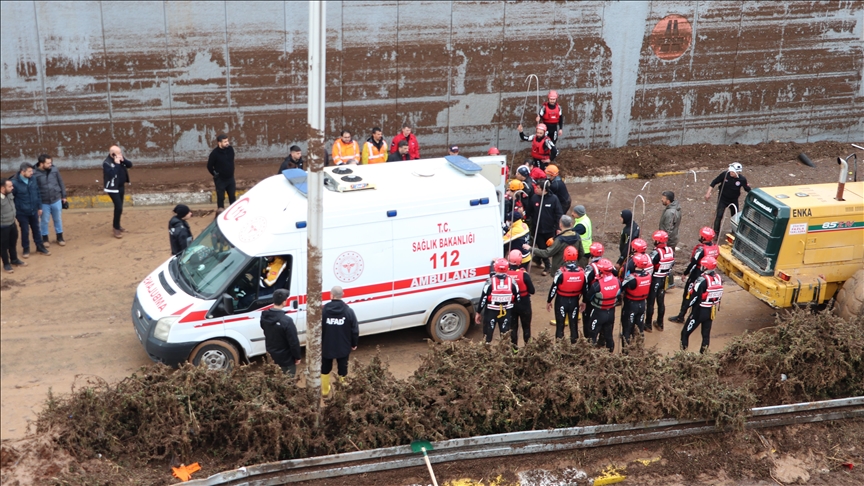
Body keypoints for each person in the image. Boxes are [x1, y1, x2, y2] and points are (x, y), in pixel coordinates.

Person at [669, 227, 719, 324]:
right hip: (709, 275)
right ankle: (695, 316)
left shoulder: (701, 249)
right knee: (700, 296)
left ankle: (681, 316)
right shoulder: (715, 248)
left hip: (697, 274)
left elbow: (693, 263)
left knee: (688, 295)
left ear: (704, 237)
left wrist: (685, 273)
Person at [321, 285, 359, 397]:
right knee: (343, 368)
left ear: (331, 295)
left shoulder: (323, 311)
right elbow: (354, 330)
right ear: (343, 295)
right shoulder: (348, 311)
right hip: (343, 346)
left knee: (325, 368)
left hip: (327, 346)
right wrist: (354, 343)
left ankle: (325, 390)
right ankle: (341, 391)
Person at [681, 256, 723, 354]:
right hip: (711, 310)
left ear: (706, 267)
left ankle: (682, 356)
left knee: (685, 333)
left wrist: (685, 309)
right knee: (705, 335)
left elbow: (694, 297)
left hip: (699, 311)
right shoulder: (718, 278)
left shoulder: (701, 280)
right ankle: (703, 356)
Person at [476, 258, 520, 344]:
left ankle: (486, 350)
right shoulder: (513, 282)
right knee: (505, 337)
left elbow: (483, 298)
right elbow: (518, 298)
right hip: (506, 311)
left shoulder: (489, 282)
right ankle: (504, 351)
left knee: (487, 336)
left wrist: (478, 312)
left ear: (495, 268)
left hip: (491, 311)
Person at [260, 288, 302, 377]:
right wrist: (297, 356)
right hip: (286, 360)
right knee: (288, 381)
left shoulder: (264, 316)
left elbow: (264, 329)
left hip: (271, 357)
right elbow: (293, 342)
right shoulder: (287, 321)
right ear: (284, 302)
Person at [547, 246, 585, 343]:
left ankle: (560, 348)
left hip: (561, 300)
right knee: (574, 326)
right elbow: (585, 288)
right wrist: (584, 301)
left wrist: (549, 301)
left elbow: (554, 287)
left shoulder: (560, 272)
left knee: (560, 326)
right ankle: (574, 348)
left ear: (564, 257)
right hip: (574, 301)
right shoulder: (582, 271)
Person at [582, 258, 620, 352]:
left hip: (598, 312)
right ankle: (610, 355)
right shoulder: (617, 281)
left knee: (592, 335)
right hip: (611, 312)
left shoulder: (597, 285)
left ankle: (591, 356)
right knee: (609, 336)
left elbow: (588, 297)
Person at [12, 163, 49, 256]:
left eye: (32, 170)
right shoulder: (14, 183)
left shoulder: (33, 179)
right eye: (29, 171)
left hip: (34, 210)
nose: (32, 173)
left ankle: (40, 246)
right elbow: (11, 198)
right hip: (21, 212)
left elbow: (37, 193)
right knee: (25, 231)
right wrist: (15, 211)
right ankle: (26, 248)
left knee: (36, 229)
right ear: (22, 172)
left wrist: (39, 207)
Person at [528, 179, 563, 275]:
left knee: (549, 247)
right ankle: (548, 266)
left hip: (550, 229)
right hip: (537, 229)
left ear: (544, 190)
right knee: (542, 247)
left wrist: (558, 228)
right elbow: (529, 211)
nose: (536, 189)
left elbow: (559, 214)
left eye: (538, 188)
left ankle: (537, 258)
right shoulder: (534, 198)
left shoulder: (554, 199)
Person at [706, 162, 751, 235]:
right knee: (719, 215)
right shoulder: (725, 175)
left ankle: (734, 232)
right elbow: (714, 182)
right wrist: (708, 192)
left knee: (735, 217)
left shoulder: (742, 180)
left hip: (734, 200)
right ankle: (716, 233)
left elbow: (747, 189)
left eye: (733, 172)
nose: (731, 173)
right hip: (723, 199)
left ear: (737, 172)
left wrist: (753, 195)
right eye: (730, 171)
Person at [620, 253, 652, 347]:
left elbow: (621, 287)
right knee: (640, 328)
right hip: (642, 304)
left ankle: (625, 351)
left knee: (627, 328)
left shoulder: (631, 277)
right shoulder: (648, 275)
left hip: (631, 305)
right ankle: (639, 349)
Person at [34, 154, 67, 247]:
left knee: (58, 219)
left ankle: (60, 237)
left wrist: (63, 196)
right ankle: (45, 239)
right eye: (48, 163)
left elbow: (60, 182)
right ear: (41, 164)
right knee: (44, 220)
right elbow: (34, 189)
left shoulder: (54, 169)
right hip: (43, 202)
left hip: (56, 199)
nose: (50, 164)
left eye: (50, 162)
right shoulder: (34, 173)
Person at [645, 230, 674, 332]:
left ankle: (648, 324)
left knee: (650, 302)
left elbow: (648, 264)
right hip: (664, 279)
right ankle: (660, 323)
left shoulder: (656, 253)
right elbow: (672, 263)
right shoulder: (670, 250)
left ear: (658, 241)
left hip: (655, 279)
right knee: (661, 302)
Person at [506, 249, 535, 347]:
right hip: (524, 304)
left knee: (513, 328)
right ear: (520, 261)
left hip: (511, 304)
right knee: (526, 327)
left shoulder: (505, 274)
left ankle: (514, 350)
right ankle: (528, 349)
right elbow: (532, 290)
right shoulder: (524, 275)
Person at [1, 179, 27, 273]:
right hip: (3, 227)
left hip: (12, 223)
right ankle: (6, 264)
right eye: (10, 186)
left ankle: (14, 259)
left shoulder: (9, 194)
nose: (12, 188)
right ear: (2, 188)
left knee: (13, 243)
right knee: (3, 246)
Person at [581, 242, 605, 340]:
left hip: (592, 297)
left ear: (591, 253)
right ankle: (602, 339)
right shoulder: (608, 264)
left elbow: (585, 283)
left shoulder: (590, 267)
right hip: (605, 295)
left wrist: (584, 300)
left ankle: (588, 339)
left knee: (588, 317)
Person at [207, 134, 236, 214]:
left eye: (227, 141)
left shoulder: (230, 149)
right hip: (220, 180)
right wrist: (215, 174)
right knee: (221, 197)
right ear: (219, 143)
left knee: (232, 196)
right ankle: (221, 214)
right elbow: (209, 166)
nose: (227, 143)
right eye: (225, 142)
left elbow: (231, 160)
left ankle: (234, 212)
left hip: (230, 178)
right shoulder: (214, 153)